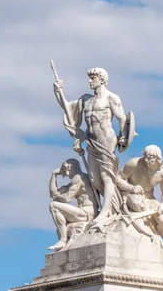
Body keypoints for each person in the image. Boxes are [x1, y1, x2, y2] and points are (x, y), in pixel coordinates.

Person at [53, 67, 127, 229]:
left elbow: (123, 119)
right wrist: (58, 92)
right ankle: (111, 206)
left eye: (92, 78)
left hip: (106, 140)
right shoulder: (86, 100)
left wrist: (124, 136)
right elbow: (68, 109)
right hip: (91, 142)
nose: (89, 81)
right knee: (94, 179)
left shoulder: (111, 98)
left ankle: (106, 211)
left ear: (102, 79)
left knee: (106, 176)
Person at [118, 145, 163, 238]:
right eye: (145, 157)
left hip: (149, 198)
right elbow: (118, 179)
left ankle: (157, 242)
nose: (146, 160)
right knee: (140, 205)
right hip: (131, 194)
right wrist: (131, 188)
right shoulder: (134, 163)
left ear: (157, 159)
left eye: (150, 158)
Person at [48, 159, 98, 251]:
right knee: (55, 208)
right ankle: (63, 240)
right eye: (64, 170)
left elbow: (67, 199)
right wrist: (54, 175)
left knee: (54, 206)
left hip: (87, 212)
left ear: (74, 168)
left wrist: (58, 197)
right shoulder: (74, 181)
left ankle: (63, 241)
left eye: (67, 170)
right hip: (84, 212)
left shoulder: (79, 177)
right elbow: (53, 193)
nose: (66, 174)